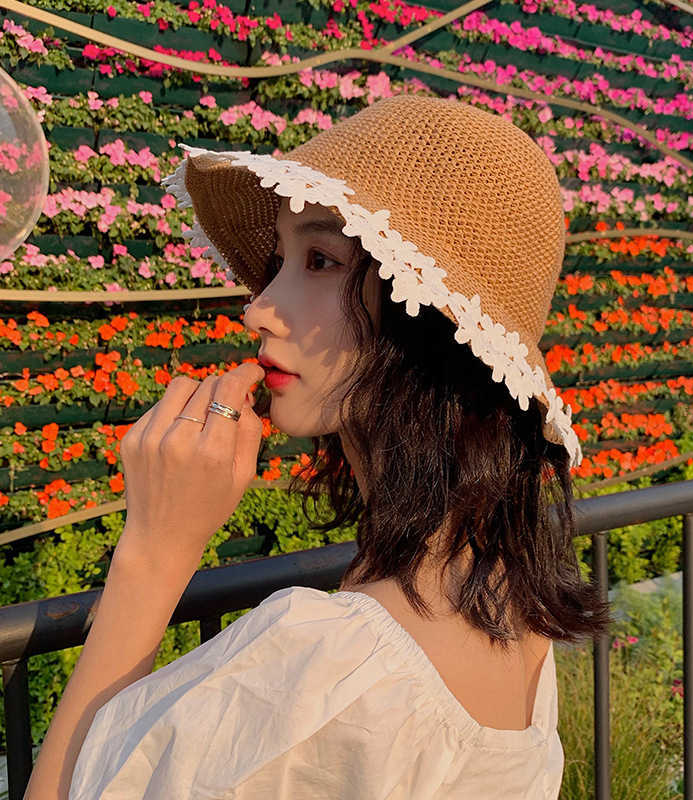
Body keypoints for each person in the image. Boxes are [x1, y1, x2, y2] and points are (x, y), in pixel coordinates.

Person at [61, 94, 610, 798]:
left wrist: (155, 553)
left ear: (429, 318)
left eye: (320, 259)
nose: (258, 306)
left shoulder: (325, 656)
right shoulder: (508, 607)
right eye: (279, 259)